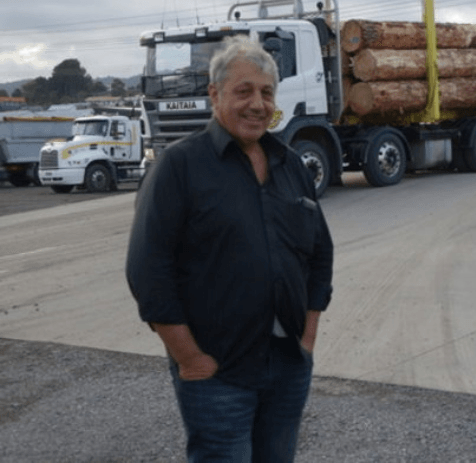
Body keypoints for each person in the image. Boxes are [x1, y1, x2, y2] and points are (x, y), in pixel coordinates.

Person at [126, 35, 333, 462]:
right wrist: (190, 358)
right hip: (217, 370)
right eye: (244, 91)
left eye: (266, 92)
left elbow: (319, 254)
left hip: (287, 362)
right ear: (215, 94)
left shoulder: (290, 164)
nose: (258, 104)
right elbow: (149, 271)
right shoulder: (179, 167)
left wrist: (307, 337)